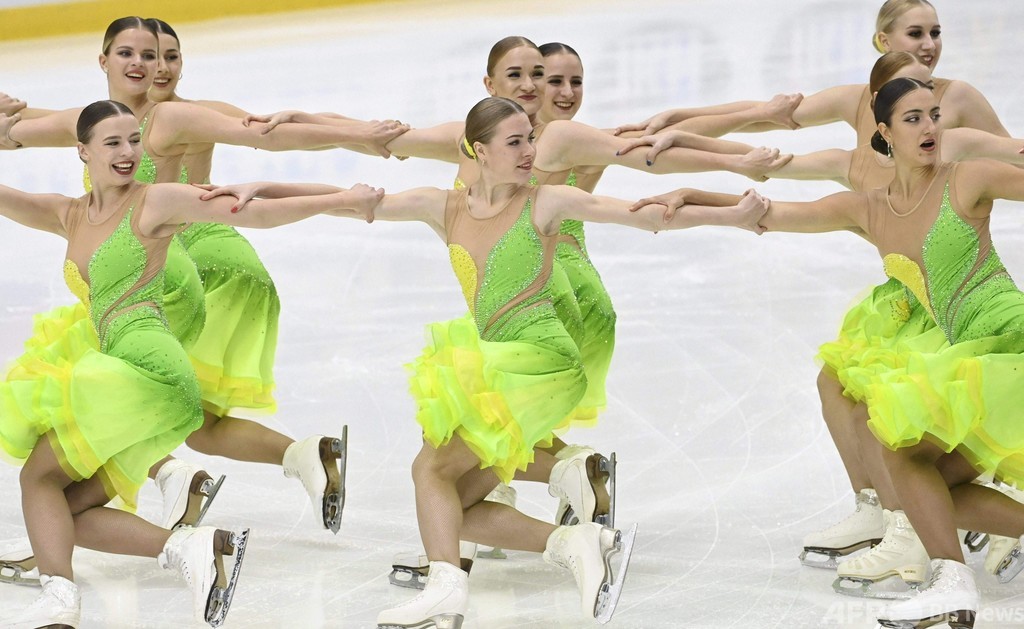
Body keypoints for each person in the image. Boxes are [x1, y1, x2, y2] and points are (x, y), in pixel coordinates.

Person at [216, 95, 768, 627]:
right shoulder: (445, 205)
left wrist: (733, 212)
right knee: (451, 504)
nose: (530, 151)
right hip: (505, 361)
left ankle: (444, 590)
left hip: (540, 360)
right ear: (478, 151)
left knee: (428, 468)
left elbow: (644, 214)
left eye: (531, 139)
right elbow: (353, 198)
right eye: (515, 142)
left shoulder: (545, 202)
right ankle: (572, 544)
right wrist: (260, 185)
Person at [633, 77, 1024, 629]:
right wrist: (694, 196)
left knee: (904, 453)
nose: (930, 128)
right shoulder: (870, 208)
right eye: (912, 119)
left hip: (1008, 343)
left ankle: (951, 587)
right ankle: (950, 584)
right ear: (882, 133)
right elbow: (770, 212)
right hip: (974, 357)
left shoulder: (969, 177)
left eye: (934, 115)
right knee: (931, 490)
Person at [0, 16, 404, 536]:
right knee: (195, 422)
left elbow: (264, 135)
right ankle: (299, 456)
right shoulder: (97, 121)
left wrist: (360, 137)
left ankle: (133, 490)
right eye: (131, 54)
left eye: (159, 55)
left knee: (110, 385)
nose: (148, 66)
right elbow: (17, 132)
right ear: (102, 61)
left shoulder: (173, 119)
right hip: (180, 262)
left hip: (184, 269)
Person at [0, 100, 381, 628]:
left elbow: (254, 211)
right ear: (82, 151)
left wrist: (343, 198)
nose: (129, 152)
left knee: (37, 480)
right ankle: (192, 550)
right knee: (66, 507)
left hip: (145, 365)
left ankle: (59, 600)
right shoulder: (67, 215)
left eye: (134, 140)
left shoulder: (154, 202)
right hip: (143, 376)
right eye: (113, 143)